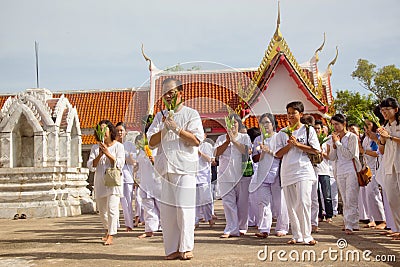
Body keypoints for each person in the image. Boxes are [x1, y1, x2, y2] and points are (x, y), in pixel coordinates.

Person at [147, 78, 204, 260]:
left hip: (185, 167)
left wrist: (177, 129)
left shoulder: (191, 114)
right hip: (166, 168)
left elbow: (196, 140)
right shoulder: (159, 116)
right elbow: (151, 142)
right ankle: (171, 248)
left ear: (180, 93)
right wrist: (165, 127)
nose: (168, 96)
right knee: (168, 212)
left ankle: (186, 247)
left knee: (185, 209)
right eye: (165, 93)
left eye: (171, 92)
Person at [275, 101, 320, 245]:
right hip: (287, 171)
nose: (290, 116)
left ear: (300, 114)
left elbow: (315, 150)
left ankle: (307, 235)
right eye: (288, 113)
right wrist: (289, 145)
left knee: (303, 201)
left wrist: (298, 145)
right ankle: (297, 235)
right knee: (292, 205)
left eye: (293, 113)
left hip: (304, 170)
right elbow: (277, 154)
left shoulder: (308, 130)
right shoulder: (282, 133)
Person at [87, 120, 125, 245]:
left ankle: (111, 234)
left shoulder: (119, 146)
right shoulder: (95, 147)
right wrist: (100, 153)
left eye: (105, 129)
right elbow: (91, 165)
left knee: (112, 209)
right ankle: (107, 229)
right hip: (100, 182)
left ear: (110, 131)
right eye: (101, 130)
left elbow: (120, 163)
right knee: (102, 211)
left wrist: (108, 153)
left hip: (113, 182)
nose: (104, 132)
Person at [251, 113, 289, 238]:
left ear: (273, 124)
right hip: (262, 173)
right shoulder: (258, 139)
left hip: (277, 172)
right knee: (263, 201)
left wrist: (270, 151)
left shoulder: (280, 137)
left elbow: (284, 154)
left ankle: (282, 227)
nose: (265, 125)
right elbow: (255, 158)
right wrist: (261, 153)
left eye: (267, 122)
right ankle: (264, 228)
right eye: (262, 123)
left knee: (280, 202)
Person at [215, 113, 252, 238]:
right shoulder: (221, 138)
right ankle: (231, 228)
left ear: (238, 124)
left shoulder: (244, 137)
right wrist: (227, 142)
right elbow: (216, 153)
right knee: (228, 203)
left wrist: (234, 141)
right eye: (229, 124)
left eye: (234, 123)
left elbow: (247, 151)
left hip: (242, 176)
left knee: (242, 204)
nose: (232, 126)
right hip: (225, 176)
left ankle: (241, 226)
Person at [329, 114, 361, 235]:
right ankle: (353, 222)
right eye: (333, 124)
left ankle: (349, 224)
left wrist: (338, 143)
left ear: (344, 124)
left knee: (351, 196)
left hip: (351, 170)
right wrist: (333, 146)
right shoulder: (335, 138)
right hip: (339, 170)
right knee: (344, 197)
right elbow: (332, 157)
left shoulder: (352, 137)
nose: (335, 127)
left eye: (337, 124)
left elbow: (350, 155)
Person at [377, 97, 400, 240]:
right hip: (389, 165)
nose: (384, 112)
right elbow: (382, 149)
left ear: (396, 110)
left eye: (387, 109)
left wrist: (390, 137)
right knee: (393, 199)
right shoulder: (384, 126)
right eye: (382, 110)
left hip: (399, 164)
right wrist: (382, 139)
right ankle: (398, 228)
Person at [360, 119, 386, 230]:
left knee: (374, 193)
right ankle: (372, 219)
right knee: (368, 195)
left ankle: (383, 219)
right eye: (365, 125)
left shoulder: (374, 138)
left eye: (369, 124)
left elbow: (377, 153)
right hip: (367, 169)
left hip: (375, 169)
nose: (367, 126)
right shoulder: (365, 138)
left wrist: (364, 151)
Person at [135, 131, 162, 239]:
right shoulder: (141, 153)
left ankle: (166, 228)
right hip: (145, 183)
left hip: (158, 183)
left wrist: (155, 161)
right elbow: (138, 167)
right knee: (148, 208)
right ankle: (149, 230)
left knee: (162, 207)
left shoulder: (158, 150)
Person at [115, 122, 137, 232]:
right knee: (114, 202)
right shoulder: (112, 144)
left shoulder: (129, 145)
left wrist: (124, 156)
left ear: (125, 132)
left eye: (121, 130)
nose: (119, 132)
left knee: (127, 202)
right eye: (118, 130)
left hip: (127, 176)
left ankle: (129, 224)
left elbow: (133, 161)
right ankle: (115, 225)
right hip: (114, 176)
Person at [314, 120, 334, 224]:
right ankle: (320, 214)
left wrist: (321, 151)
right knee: (316, 193)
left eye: (318, 128)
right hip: (315, 170)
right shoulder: (312, 140)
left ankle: (329, 214)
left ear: (322, 129)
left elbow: (329, 156)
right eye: (315, 128)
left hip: (324, 170)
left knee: (327, 194)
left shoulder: (326, 141)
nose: (317, 130)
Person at [195, 134, 215, 228]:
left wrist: (199, 153)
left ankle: (210, 218)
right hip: (192, 175)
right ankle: (195, 221)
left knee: (206, 198)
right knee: (194, 201)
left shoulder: (207, 145)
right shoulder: (189, 144)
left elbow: (210, 159)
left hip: (203, 176)